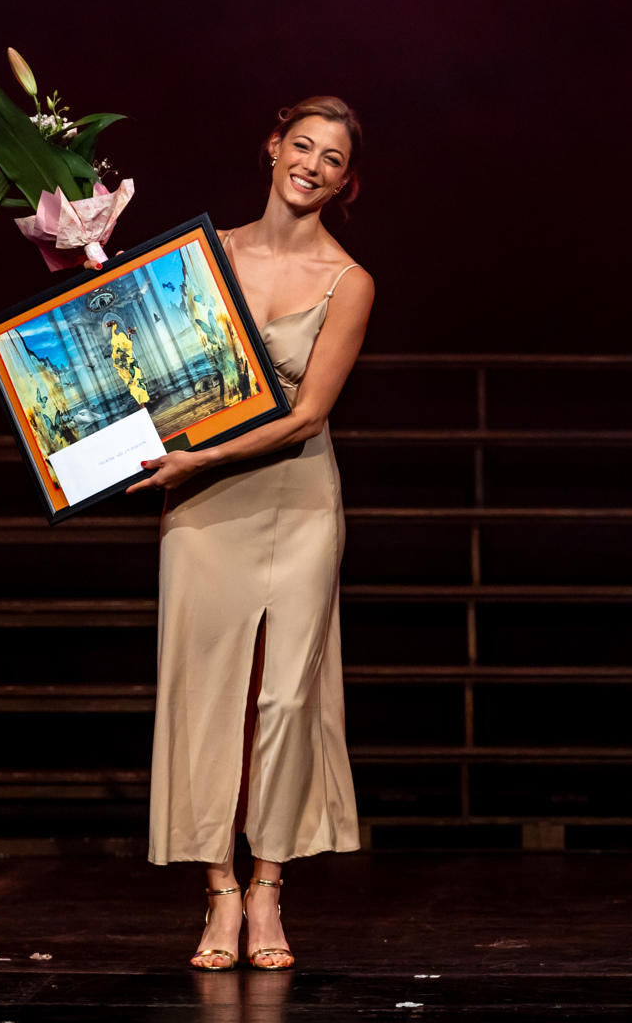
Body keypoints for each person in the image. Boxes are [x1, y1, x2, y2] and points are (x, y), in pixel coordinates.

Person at [126, 96, 375, 971]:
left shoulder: (349, 281)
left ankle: (268, 888)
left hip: (296, 502)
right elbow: (142, 363)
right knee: (206, 694)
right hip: (204, 505)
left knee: (286, 699)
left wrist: (197, 459)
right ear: (272, 148)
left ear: (345, 182)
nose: (311, 165)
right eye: (301, 146)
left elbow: (307, 417)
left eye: (331, 159)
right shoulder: (204, 257)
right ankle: (219, 893)